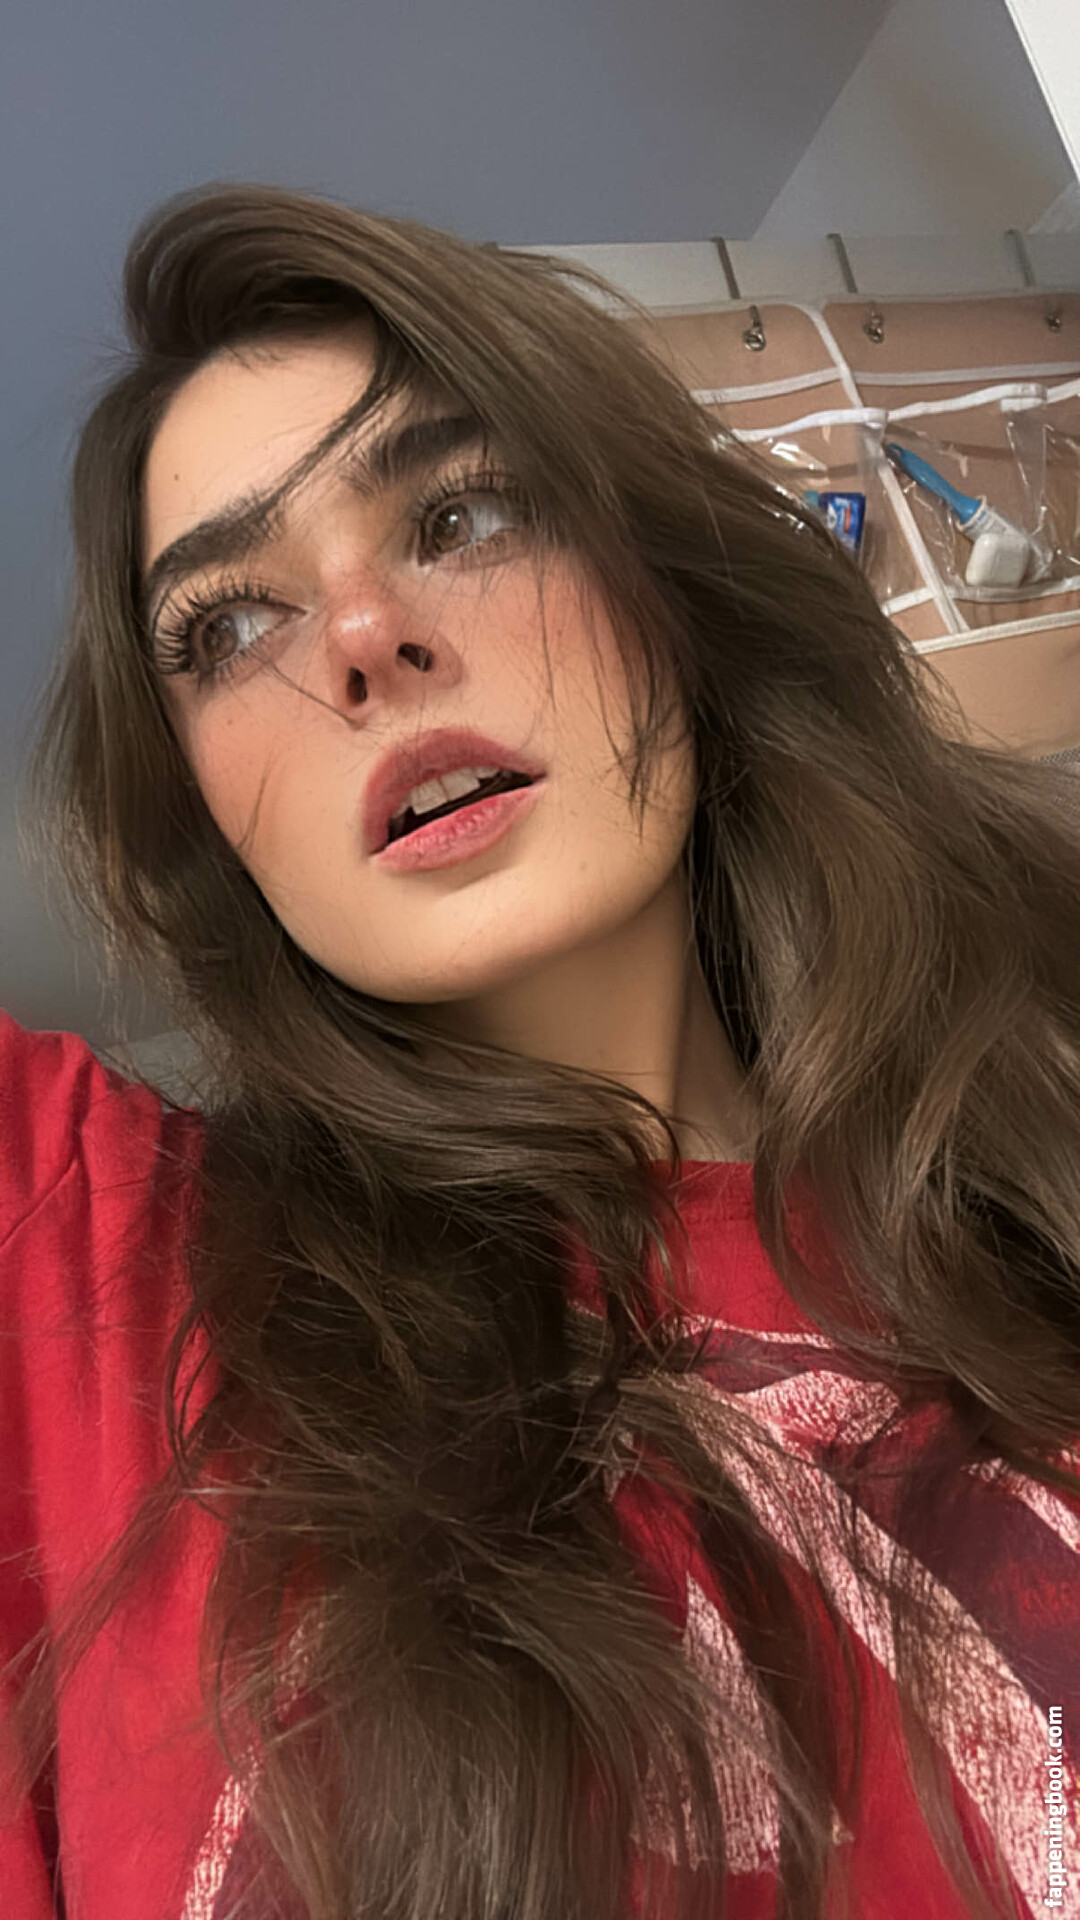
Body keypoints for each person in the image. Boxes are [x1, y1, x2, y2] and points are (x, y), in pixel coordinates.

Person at [1, 182, 1079, 1920]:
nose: (363, 640)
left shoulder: (1040, 1151)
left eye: (466, 512)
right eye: (231, 625)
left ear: (665, 591)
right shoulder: (95, 1271)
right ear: (205, 820)